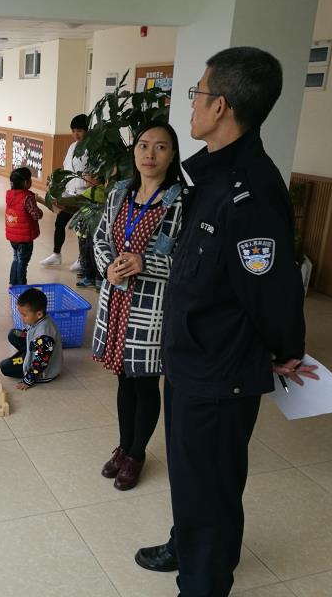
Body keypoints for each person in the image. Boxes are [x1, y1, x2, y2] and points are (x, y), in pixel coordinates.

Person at [133, 47, 319, 596]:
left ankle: (204, 582)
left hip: (220, 370)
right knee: (189, 473)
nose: (191, 104)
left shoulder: (251, 192)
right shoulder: (211, 176)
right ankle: (184, 544)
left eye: (198, 93)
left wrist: (287, 350)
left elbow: (275, 290)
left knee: (210, 485)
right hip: (190, 357)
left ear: (220, 107)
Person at [91, 121, 185, 491]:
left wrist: (146, 263)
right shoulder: (119, 194)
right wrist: (107, 266)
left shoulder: (180, 202)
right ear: (134, 151)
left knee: (144, 382)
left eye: (161, 147)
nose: (150, 154)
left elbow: (189, 260)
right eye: (144, 145)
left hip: (152, 308)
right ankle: (124, 445)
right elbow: (101, 238)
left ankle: (137, 454)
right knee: (123, 378)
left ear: (172, 155)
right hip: (117, 300)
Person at [40, 114, 88, 269]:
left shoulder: (92, 148)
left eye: (79, 130)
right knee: (60, 222)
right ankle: (56, 255)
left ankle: (82, 259)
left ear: (87, 130)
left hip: (85, 195)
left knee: (82, 229)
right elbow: (67, 168)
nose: (76, 134)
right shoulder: (72, 146)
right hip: (70, 193)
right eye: (73, 131)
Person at [0, 288, 63, 390]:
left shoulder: (45, 335)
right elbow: (31, 331)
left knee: (4, 366)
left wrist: (28, 380)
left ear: (39, 314)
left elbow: (41, 362)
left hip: (42, 370)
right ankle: (26, 355)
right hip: (34, 349)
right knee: (13, 334)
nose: (21, 318)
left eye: (24, 315)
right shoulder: (38, 319)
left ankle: (26, 359)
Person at [5, 167, 42, 286]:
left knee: (16, 259)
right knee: (23, 263)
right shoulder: (27, 197)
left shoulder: (10, 195)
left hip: (13, 237)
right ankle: (21, 287)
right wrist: (40, 212)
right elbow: (36, 215)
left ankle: (13, 283)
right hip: (25, 238)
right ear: (26, 182)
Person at [74, 174, 107, 290]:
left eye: (88, 175)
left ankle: (94, 278)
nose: (84, 177)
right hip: (91, 229)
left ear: (96, 178)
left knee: (91, 254)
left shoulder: (95, 191)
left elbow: (76, 204)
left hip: (94, 229)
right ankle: (93, 278)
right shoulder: (101, 191)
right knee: (91, 253)